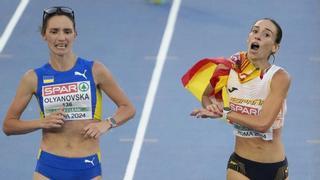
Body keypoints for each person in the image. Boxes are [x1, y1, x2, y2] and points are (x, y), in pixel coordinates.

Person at [2, 6, 135, 180]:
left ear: (75, 35)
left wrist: (106, 123)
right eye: (54, 31)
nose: (61, 38)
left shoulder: (95, 70)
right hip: (48, 167)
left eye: (67, 31)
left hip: (88, 166)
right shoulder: (33, 78)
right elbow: (8, 125)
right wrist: (41, 122)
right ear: (44, 35)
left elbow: (128, 108)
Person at [190, 18, 291, 180]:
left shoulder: (279, 77)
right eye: (255, 31)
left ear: (275, 47)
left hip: (276, 169)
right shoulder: (229, 68)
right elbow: (207, 95)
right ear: (248, 38)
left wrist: (224, 113)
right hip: (241, 166)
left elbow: (263, 124)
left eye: (266, 34)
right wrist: (212, 108)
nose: (257, 36)